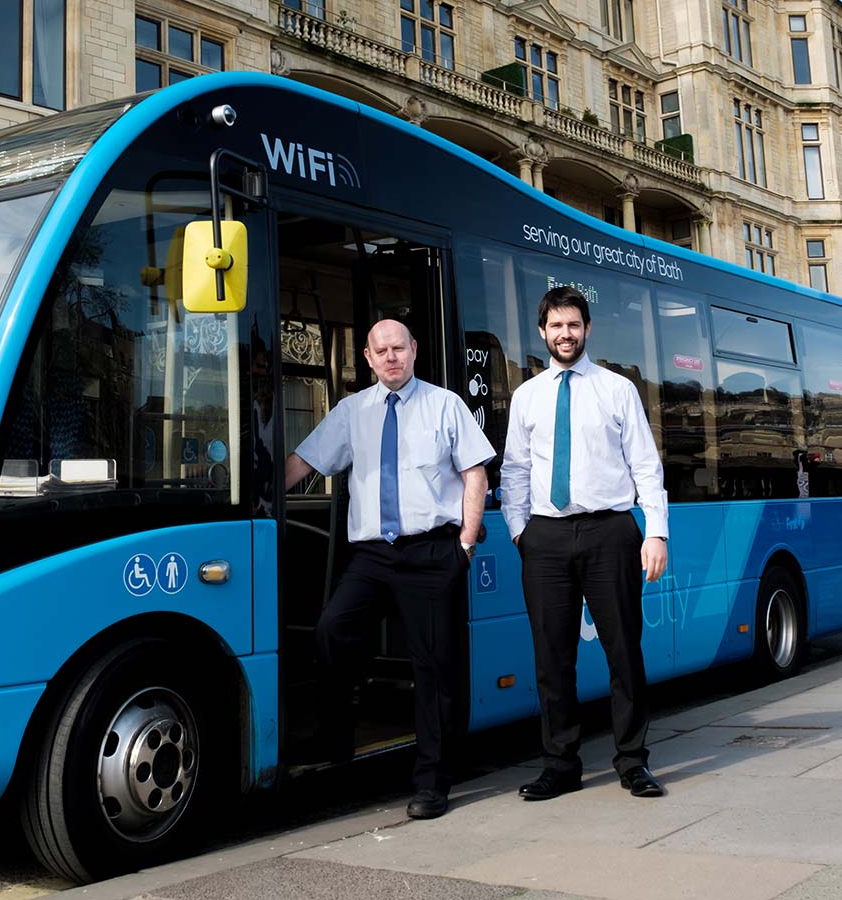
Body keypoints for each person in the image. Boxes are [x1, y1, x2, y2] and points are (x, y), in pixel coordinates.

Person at [285, 318, 494, 820]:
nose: (392, 356)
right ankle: (336, 740)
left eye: (399, 347)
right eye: (382, 350)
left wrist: (464, 545)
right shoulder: (352, 411)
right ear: (368, 356)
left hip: (430, 553)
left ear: (414, 349)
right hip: (374, 555)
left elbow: (475, 474)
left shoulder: (445, 404)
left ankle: (432, 782)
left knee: (433, 668)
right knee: (333, 629)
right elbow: (304, 464)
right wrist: (248, 492)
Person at [500, 286, 669, 801]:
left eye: (573, 325)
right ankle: (560, 765)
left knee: (624, 652)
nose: (565, 334)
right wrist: (520, 532)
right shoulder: (528, 395)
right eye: (556, 326)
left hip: (610, 532)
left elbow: (645, 463)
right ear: (542, 332)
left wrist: (655, 530)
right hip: (546, 536)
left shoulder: (617, 389)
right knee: (551, 659)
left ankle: (633, 761)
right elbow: (515, 470)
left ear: (587, 329)